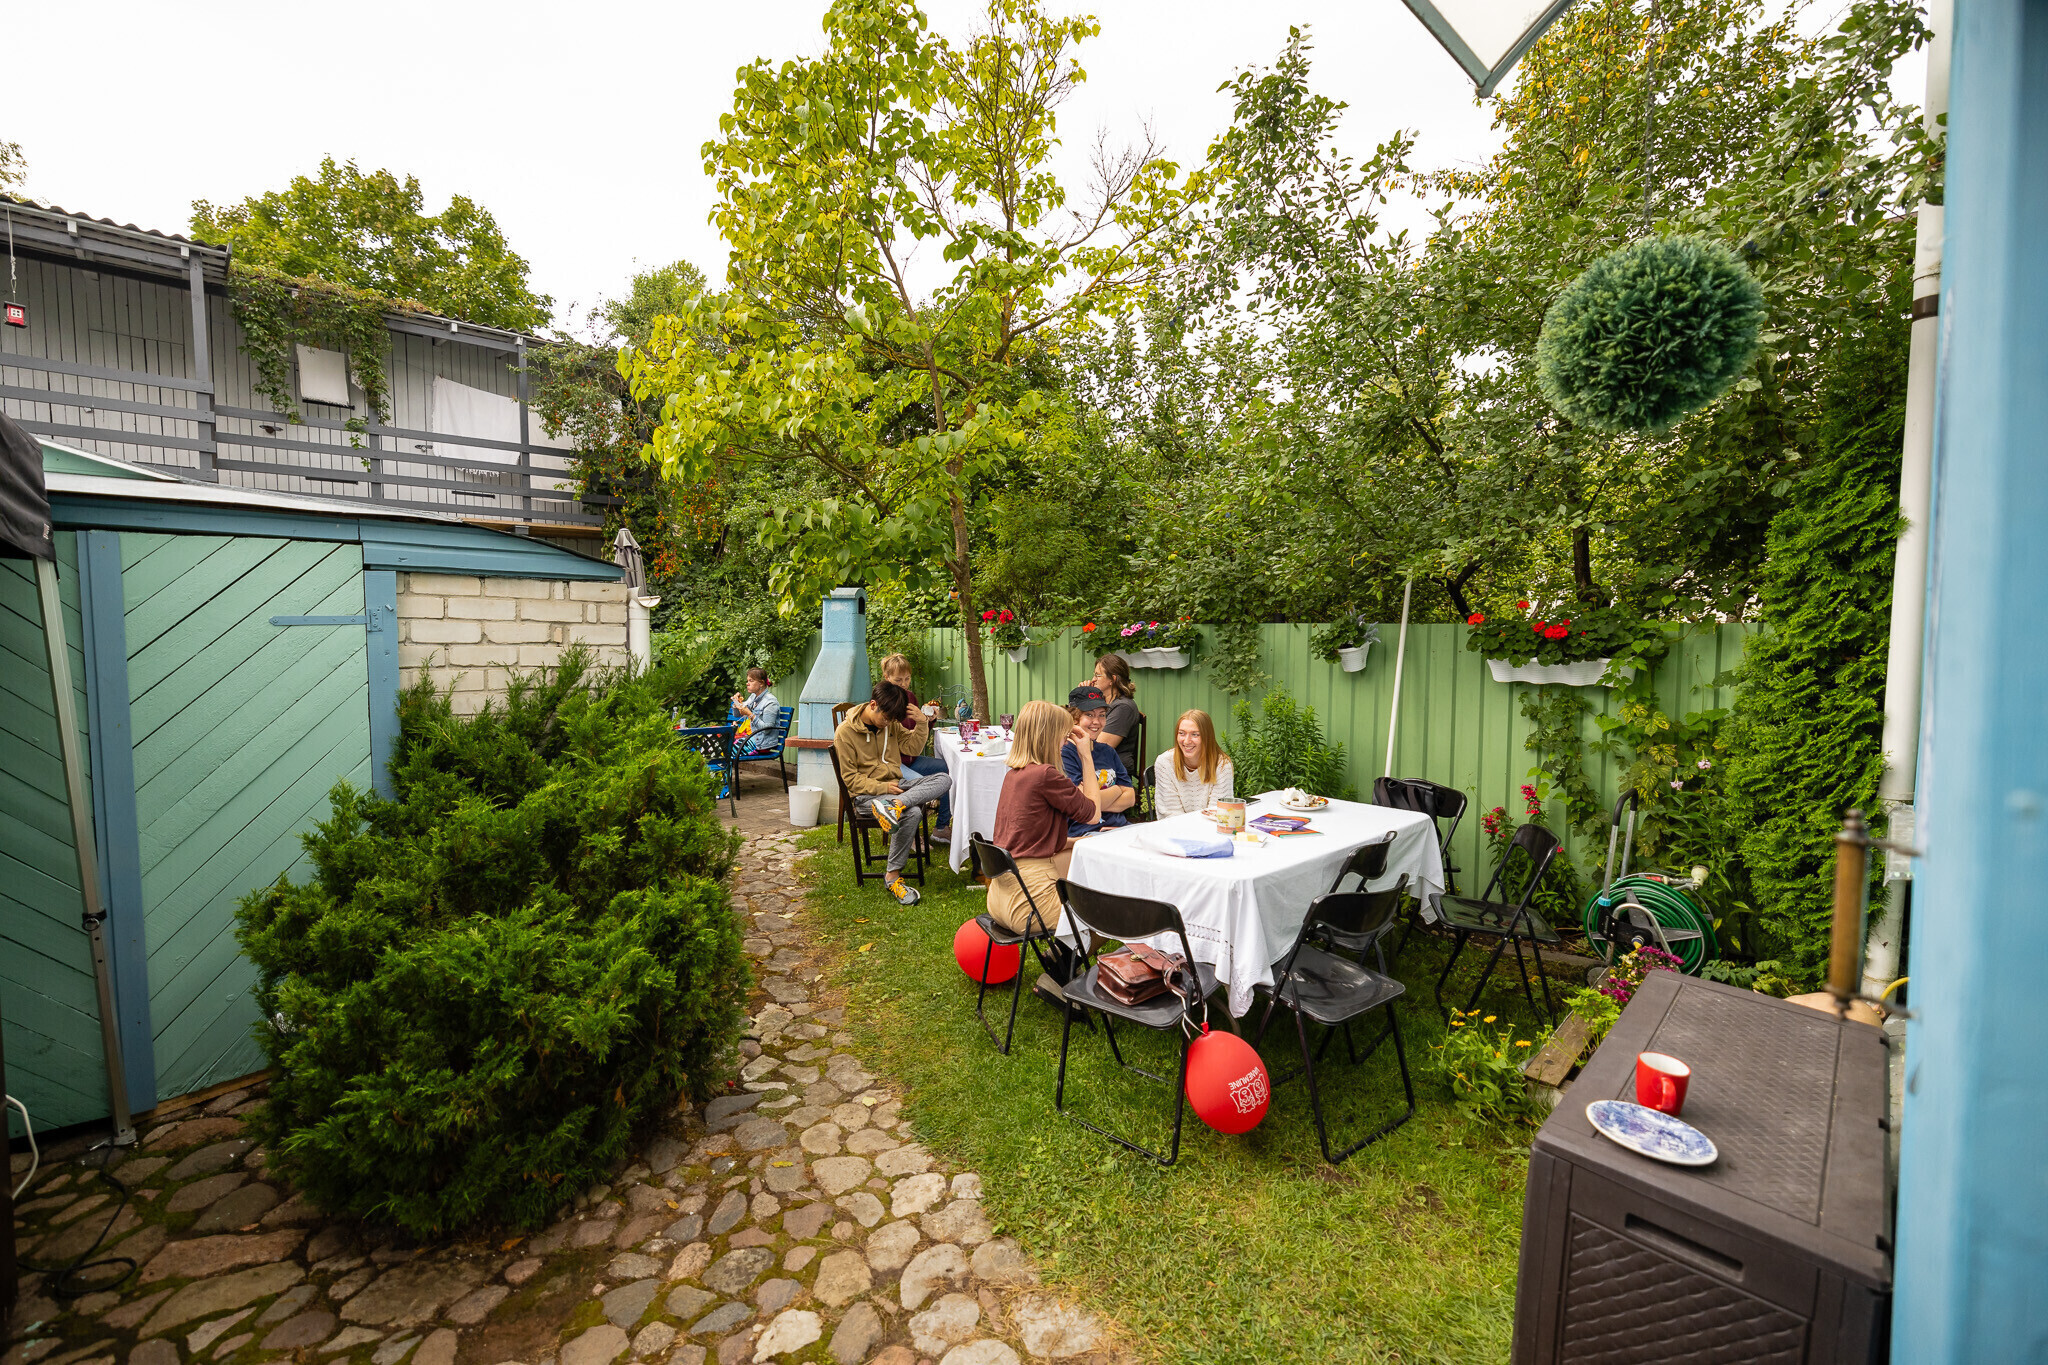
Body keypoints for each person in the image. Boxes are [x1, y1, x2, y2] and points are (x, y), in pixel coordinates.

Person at [986, 700, 1106, 938]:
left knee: (1079, 859)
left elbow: (1029, 839)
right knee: (1110, 913)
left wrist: (1078, 841)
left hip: (1002, 897)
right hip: (1029, 903)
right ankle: (1065, 961)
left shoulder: (1015, 775)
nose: (1065, 743)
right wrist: (1086, 755)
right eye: (1063, 736)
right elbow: (1094, 815)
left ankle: (1064, 957)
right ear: (1049, 736)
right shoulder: (1045, 775)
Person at [833, 680, 952, 906]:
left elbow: (912, 748)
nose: (888, 723)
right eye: (886, 718)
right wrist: (883, 788)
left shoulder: (890, 725)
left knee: (944, 778)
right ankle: (893, 877)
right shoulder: (845, 733)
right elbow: (850, 780)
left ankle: (896, 805)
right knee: (913, 813)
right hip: (867, 796)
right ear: (873, 704)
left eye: (893, 720)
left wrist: (922, 723)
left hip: (896, 787)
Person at [880, 652, 951, 840]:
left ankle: (941, 827)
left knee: (947, 769)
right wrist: (920, 722)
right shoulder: (884, 701)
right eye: (898, 680)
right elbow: (898, 738)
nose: (904, 684)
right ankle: (908, 834)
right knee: (921, 784)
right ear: (887, 677)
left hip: (911, 759)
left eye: (907, 679)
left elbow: (916, 735)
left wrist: (928, 720)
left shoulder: (910, 697)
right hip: (894, 762)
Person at [1060, 685, 1136, 836]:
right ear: (1074, 718)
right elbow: (1081, 804)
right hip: (1086, 832)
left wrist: (1093, 801)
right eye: (1089, 715)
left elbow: (1130, 798)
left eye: (1102, 715)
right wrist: (1117, 790)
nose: (1096, 721)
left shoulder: (1108, 751)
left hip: (1120, 828)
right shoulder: (1065, 753)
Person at [1153, 709, 1235, 816]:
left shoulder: (1222, 765)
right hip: (1175, 826)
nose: (1186, 741)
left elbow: (1217, 814)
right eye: (1182, 733)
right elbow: (1170, 814)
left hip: (1209, 826)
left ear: (1207, 737)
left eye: (1195, 734)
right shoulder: (1164, 763)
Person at [1090, 654, 1143, 776]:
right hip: (1097, 764)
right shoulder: (1102, 703)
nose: (1093, 679)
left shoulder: (1123, 707)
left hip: (1113, 769)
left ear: (1113, 679)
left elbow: (1100, 749)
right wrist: (1083, 697)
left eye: (1098, 675)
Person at [728, 668, 785, 755]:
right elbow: (737, 715)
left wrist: (750, 714)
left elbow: (767, 729)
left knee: (728, 749)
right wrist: (736, 703)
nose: (747, 683)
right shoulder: (753, 697)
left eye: (751, 681)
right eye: (747, 681)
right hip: (752, 738)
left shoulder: (771, 702)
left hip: (762, 744)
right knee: (721, 743)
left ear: (761, 683)